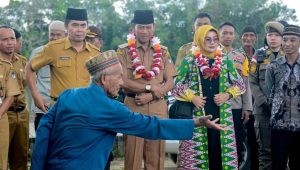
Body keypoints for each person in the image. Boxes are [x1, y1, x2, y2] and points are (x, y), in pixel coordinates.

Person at [30, 50, 226, 170]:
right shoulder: (111, 108)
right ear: (105, 79)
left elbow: (44, 132)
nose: (123, 83)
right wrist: (196, 122)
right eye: (119, 77)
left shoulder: (67, 95)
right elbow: (151, 126)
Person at [173, 25, 246, 169]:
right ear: (200, 40)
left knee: (220, 155)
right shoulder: (189, 60)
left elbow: (240, 84)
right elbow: (177, 85)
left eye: (215, 39)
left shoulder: (225, 60)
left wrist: (227, 94)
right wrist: (192, 97)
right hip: (198, 114)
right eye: (207, 39)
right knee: (198, 157)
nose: (212, 43)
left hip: (222, 113)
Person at [117, 10, 176, 170]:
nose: (144, 31)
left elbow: (170, 81)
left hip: (158, 107)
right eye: (140, 27)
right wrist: (149, 87)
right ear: (133, 28)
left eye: (148, 27)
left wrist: (150, 96)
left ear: (154, 28)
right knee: (133, 158)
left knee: (156, 159)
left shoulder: (163, 51)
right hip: (133, 107)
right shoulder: (123, 51)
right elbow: (122, 80)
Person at [25, 8, 100, 112]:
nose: (79, 29)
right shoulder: (53, 48)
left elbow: (101, 80)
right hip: (60, 108)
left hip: (86, 108)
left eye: (83, 25)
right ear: (66, 26)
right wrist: (35, 95)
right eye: (75, 25)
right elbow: (29, 68)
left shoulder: (95, 52)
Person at [249, 21, 284, 170]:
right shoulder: (259, 55)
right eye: (270, 35)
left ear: (283, 38)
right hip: (262, 110)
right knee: (265, 152)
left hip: (285, 111)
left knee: (283, 152)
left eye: (277, 35)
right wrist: (264, 102)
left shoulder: (289, 55)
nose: (273, 38)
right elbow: (252, 81)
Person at [265, 25, 300, 170]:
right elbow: (269, 93)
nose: (288, 44)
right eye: (285, 40)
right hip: (279, 126)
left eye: (293, 40)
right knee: (278, 165)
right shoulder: (273, 66)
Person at [219, 22, 253, 168]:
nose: (227, 36)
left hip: (236, 106)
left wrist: (247, 108)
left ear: (234, 36)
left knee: (236, 144)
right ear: (218, 34)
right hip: (216, 105)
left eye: (230, 33)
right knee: (217, 144)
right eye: (224, 33)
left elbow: (246, 82)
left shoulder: (241, 56)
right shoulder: (210, 54)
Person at [29, 20, 66, 130]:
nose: (54, 37)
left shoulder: (71, 54)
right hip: (43, 109)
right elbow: (29, 74)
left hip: (66, 108)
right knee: (43, 143)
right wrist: (35, 95)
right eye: (52, 34)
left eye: (58, 34)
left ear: (66, 35)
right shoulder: (38, 52)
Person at [0, 26, 28, 170]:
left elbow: (24, 85)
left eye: (12, 39)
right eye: (5, 39)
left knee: (21, 157)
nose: (10, 42)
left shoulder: (22, 61)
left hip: (22, 113)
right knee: (2, 158)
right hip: (6, 114)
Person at [236, 25, 259, 170]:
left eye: (251, 35)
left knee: (255, 141)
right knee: (239, 141)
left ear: (255, 38)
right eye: (245, 35)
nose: (248, 38)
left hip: (258, 104)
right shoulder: (235, 55)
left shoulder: (261, 56)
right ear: (241, 38)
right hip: (240, 104)